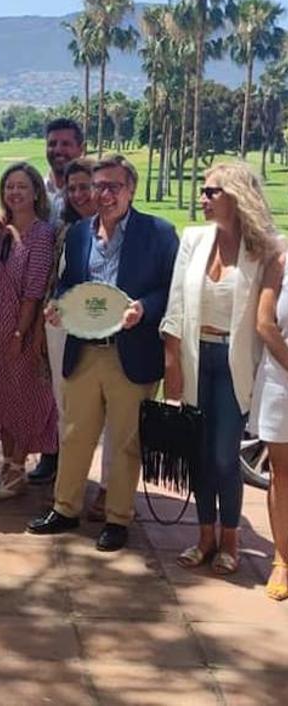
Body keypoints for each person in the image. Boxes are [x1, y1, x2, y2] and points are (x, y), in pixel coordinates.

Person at [28, 154, 179, 552]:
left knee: (126, 441)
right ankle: (65, 508)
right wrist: (58, 305)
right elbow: (69, 284)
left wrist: (144, 308)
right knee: (75, 433)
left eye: (113, 186)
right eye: (99, 186)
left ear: (131, 190)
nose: (104, 194)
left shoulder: (159, 233)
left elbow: (171, 289)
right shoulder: (79, 234)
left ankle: (117, 518)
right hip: (84, 349)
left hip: (131, 351)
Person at [164, 163, 279, 575]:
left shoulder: (262, 250)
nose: (203, 198)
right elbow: (176, 305)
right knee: (198, 454)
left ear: (236, 196)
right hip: (197, 357)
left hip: (234, 364)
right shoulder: (194, 239)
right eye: (202, 191)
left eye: (212, 192)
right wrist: (171, 362)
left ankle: (231, 538)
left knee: (224, 456)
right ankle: (205, 536)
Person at [0, 163, 58, 500]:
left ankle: (18, 468)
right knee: (1, 399)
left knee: (23, 399)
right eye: (9, 186)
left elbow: (34, 292)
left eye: (22, 187)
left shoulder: (41, 234)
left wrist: (19, 335)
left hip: (21, 330)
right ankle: (9, 465)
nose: (15, 193)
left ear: (36, 192)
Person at [43, 159, 114, 518]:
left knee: (114, 415)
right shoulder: (70, 230)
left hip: (114, 334)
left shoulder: (125, 230)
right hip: (64, 329)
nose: (79, 194)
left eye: (85, 186)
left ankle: (108, 489)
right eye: (71, 189)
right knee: (67, 408)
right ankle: (67, 487)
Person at [29, 118, 87, 486]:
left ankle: (74, 466)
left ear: (79, 148)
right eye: (53, 143)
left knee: (76, 389)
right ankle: (51, 454)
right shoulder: (40, 190)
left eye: (66, 144)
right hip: (42, 300)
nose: (59, 150)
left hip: (80, 304)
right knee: (48, 388)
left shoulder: (87, 189)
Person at [254, 246, 288, 600]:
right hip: (282, 380)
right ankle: (283, 558)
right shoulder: (280, 260)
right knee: (283, 472)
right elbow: (264, 321)